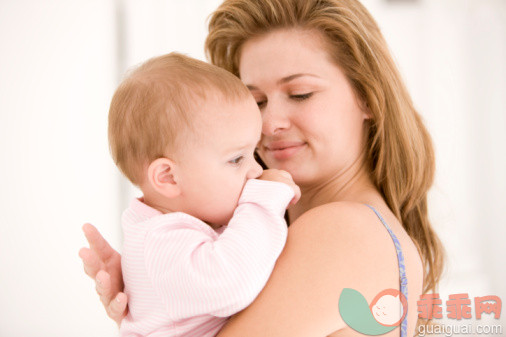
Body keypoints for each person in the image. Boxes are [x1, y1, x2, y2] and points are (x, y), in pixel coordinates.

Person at [79, 0, 445, 336]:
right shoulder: (274, 234)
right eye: (256, 101)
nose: (269, 125)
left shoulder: (345, 229)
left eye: (300, 93)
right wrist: (160, 295)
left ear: (369, 96)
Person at [105, 52, 300, 336]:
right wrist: (264, 199)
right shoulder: (161, 244)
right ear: (168, 178)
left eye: (253, 153)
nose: (256, 171)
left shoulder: (175, 229)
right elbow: (232, 282)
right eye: (237, 159)